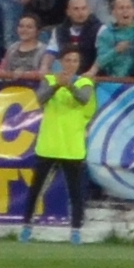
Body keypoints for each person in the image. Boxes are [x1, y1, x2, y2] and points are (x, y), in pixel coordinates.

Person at [19, 50, 97, 243]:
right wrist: (56, 86)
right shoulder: (49, 80)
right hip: (49, 143)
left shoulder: (84, 82)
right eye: (68, 60)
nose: (71, 64)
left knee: (75, 192)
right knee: (36, 189)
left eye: (75, 60)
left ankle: (76, 230)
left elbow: (83, 98)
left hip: (71, 145)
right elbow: (40, 99)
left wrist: (68, 86)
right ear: (61, 62)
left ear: (79, 64)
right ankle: (27, 226)